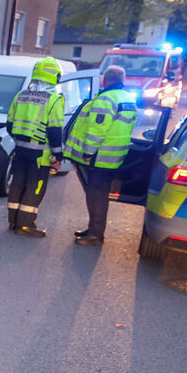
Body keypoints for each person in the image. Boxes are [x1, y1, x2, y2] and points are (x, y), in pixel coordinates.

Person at [65, 65, 138, 246]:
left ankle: (96, 235)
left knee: (96, 196)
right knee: (99, 195)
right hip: (116, 156)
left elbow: (97, 130)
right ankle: (93, 229)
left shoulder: (106, 99)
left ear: (105, 80)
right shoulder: (127, 98)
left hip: (100, 156)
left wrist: (88, 152)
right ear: (122, 80)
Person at [5, 57, 66, 237]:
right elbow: (55, 132)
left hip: (20, 151)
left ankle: (14, 221)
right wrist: (58, 156)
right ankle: (25, 226)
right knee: (35, 187)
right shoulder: (54, 100)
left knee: (17, 184)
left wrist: (20, 140)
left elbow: (9, 126)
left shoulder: (21, 95)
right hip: (40, 155)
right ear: (55, 76)